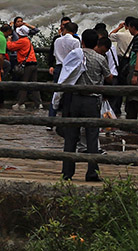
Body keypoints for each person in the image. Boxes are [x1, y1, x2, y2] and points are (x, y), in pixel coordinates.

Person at [51, 29, 112, 182]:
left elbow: (66, 75)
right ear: (96, 43)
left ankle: (67, 172)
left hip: (74, 99)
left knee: (71, 137)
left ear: (82, 41)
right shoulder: (100, 59)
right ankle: (92, 172)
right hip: (92, 101)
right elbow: (108, 77)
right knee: (92, 137)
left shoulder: (75, 55)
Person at [7, 25, 42, 110]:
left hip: (27, 65)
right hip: (33, 63)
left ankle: (20, 103)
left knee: (24, 84)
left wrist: (8, 41)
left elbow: (10, 47)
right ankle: (38, 103)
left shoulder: (22, 41)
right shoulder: (27, 40)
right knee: (34, 84)